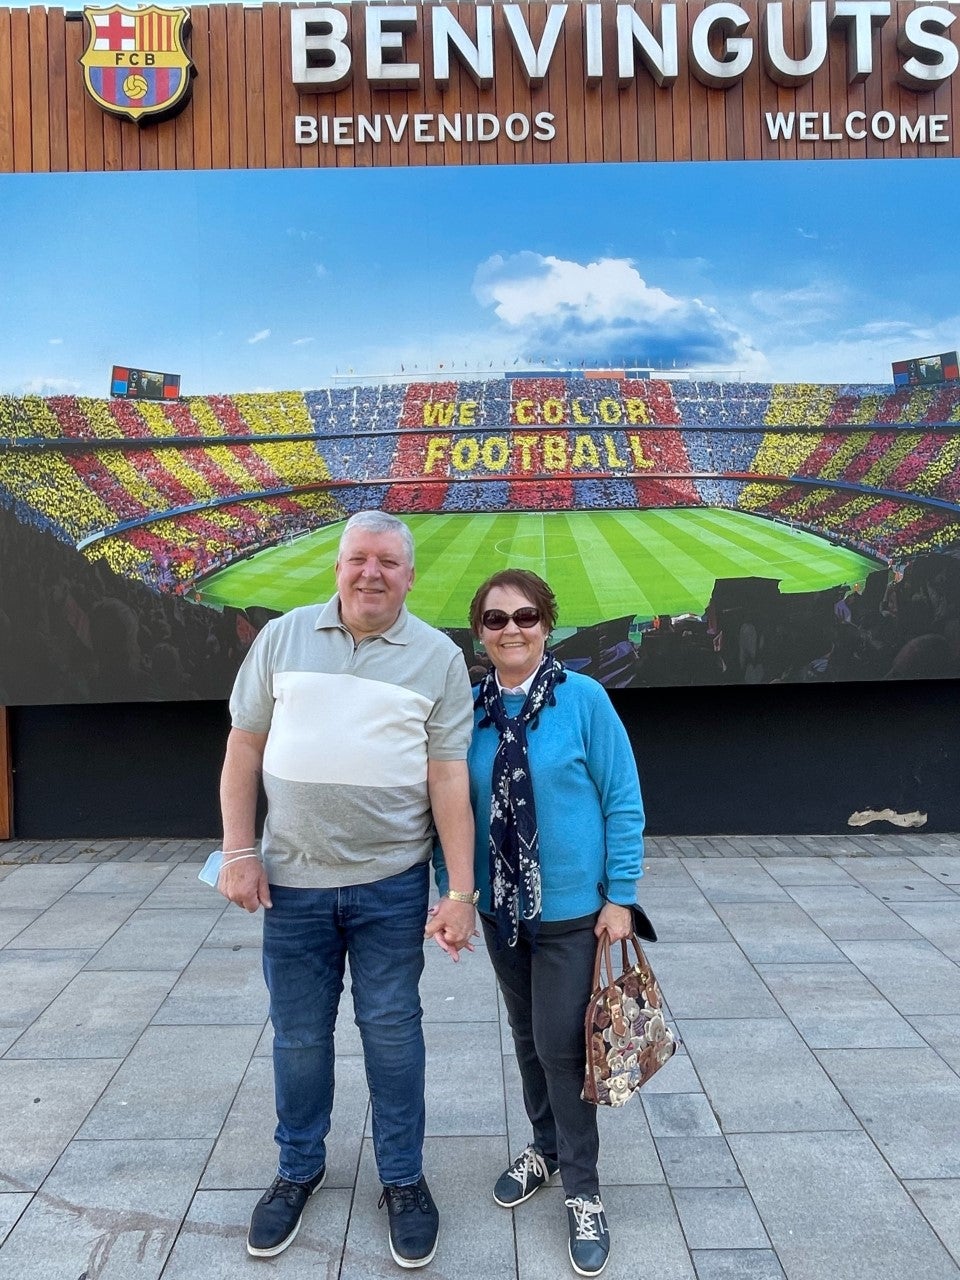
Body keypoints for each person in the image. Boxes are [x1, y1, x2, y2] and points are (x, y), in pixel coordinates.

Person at [219, 509, 477, 1268]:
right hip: (291, 886)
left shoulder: (437, 657)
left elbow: (448, 779)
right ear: (337, 566)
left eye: (388, 563)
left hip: (392, 885)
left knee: (393, 1035)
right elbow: (243, 746)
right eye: (359, 559)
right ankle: (298, 1167)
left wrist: (459, 894)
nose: (372, 574)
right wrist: (238, 849)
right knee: (299, 1038)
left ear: (409, 575)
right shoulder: (283, 636)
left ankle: (402, 1178)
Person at [435, 568, 647, 1279]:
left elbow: (622, 799)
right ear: (480, 634)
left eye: (524, 617)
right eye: (495, 621)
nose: (512, 630)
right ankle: (545, 1147)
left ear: (546, 625)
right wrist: (454, 895)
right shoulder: (466, 711)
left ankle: (583, 1190)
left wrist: (620, 896)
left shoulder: (584, 700)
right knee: (528, 1038)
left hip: (572, 915)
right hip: (500, 912)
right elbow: (448, 811)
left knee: (561, 1049)